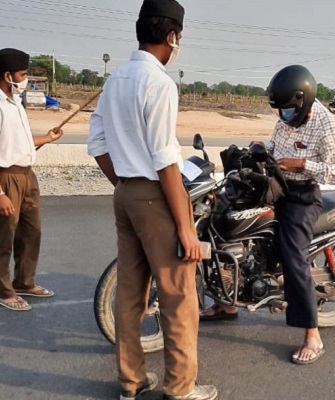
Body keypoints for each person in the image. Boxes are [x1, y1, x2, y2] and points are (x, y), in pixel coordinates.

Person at [87, 1, 217, 399]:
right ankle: (180, 389)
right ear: (172, 36)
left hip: (124, 192)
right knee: (179, 297)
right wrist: (185, 230)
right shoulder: (159, 83)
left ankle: (132, 383)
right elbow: (165, 160)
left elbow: (97, 143)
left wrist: (125, 185)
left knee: (130, 294)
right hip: (153, 194)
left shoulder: (115, 79)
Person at [201, 65, 335, 366]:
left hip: (301, 196)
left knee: (294, 255)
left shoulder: (326, 123)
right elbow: (275, 146)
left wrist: (301, 164)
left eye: (289, 111)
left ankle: (312, 334)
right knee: (225, 222)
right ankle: (226, 304)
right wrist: (258, 149)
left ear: (303, 100)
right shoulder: (287, 115)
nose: (284, 117)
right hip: (274, 187)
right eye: (280, 111)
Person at [0, 48, 63, 311]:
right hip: (5, 177)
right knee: (3, 237)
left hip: (26, 176)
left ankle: (24, 282)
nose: (24, 80)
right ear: (7, 75)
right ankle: (4, 291)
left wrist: (47, 138)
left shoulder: (14, 103)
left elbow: (19, 142)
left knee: (31, 233)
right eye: (22, 75)